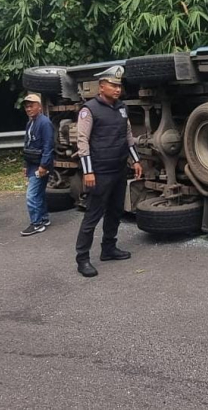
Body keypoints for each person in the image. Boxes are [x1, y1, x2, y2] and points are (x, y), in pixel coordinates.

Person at [74, 65, 143, 278]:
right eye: (113, 85)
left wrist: (136, 160)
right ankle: (82, 259)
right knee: (92, 216)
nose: (117, 89)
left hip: (119, 169)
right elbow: (82, 141)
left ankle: (108, 248)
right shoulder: (89, 109)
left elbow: (128, 135)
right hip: (99, 172)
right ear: (101, 86)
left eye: (119, 85)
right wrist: (88, 172)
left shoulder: (122, 108)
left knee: (115, 212)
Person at [21, 93, 55, 237]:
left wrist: (44, 165)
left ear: (39, 107)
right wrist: (25, 164)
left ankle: (36, 223)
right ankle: (43, 218)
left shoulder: (44, 122)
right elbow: (27, 144)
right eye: (27, 107)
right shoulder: (30, 122)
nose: (29, 109)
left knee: (31, 194)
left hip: (40, 163)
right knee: (39, 193)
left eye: (32, 106)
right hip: (32, 162)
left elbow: (48, 145)